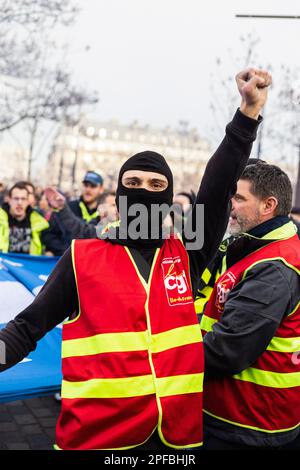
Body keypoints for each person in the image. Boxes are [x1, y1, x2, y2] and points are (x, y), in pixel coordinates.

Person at [0, 68, 271, 450]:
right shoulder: (82, 256)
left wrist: (246, 115)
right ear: (120, 193)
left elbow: (217, 184)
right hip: (98, 439)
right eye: (134, 184)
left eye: (157, 186)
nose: (145, 192)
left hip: (176, 441)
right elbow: (26, 328)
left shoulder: (188, 251)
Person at [200, 162, 300, 450]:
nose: (230, 204)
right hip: (236, 415)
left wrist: (163, 355)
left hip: (247, 424)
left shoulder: (274, 265)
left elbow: (228, 350)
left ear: (268, 205)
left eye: (240, 198)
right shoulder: (257, 249)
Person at [194, 158, 266, 318]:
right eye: (229, 195)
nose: (231, 204)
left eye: (239, 197)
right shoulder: (223, 240)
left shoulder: (267, 253)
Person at [0, 182, 55, 255]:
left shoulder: (39, 222)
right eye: (16, 198)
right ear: (9, 199)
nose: (19, 202)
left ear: (28, 201)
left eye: (23, 199)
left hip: (30, 265)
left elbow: (55, 245)